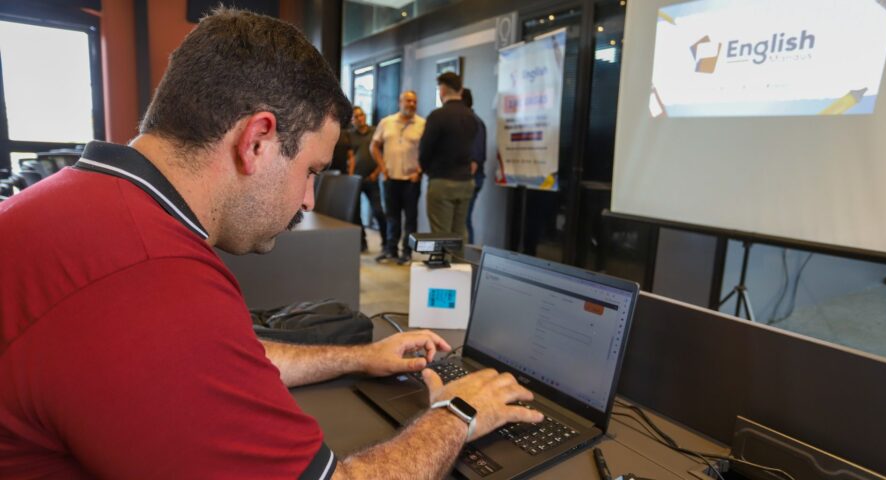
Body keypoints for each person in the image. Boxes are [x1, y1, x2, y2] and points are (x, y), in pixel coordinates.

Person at [0, 9, 541, 479]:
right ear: (257, 140)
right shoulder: (149, 277)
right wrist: (459, 412)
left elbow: (231, 356)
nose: (309, 199)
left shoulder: (85, 201)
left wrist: (361, 357)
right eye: (310, 170)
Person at [419, 72, 477, 238]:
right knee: (460, 233)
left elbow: (425, 149)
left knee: (441, 235)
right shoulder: (471, 116)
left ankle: (444, 265)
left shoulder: (437, 116)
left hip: (442, 181)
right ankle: (460, 264)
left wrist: (427, 170)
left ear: (442, 90)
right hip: (466, 181)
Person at [370, 91, 426, 265]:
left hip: (411, 180)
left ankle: (407, 252)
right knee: (392, 217)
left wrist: (420, 170)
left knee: (410, 219)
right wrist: (382, 169)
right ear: (399, 102)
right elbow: (374, 146)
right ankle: (390, 250)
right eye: (408, 100)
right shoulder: (386, 122)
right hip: (390, 178)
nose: (411, 104)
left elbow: (428, 151)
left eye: (414, 101)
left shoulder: (422, 124)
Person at [347, 106, 387, 253]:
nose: (360, 118)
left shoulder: (375, 131)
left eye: (361, 115)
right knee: (355, 215)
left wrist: (377, 172)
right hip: (356, 179)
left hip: (372, 179)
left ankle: (386, 243)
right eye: (356, 116)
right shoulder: (350, 135)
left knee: (378, 211)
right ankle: (362, 243)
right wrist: (351, 177)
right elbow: (351, 157)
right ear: (352, 120)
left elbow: (382, 154)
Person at [462, 88, 486, 244]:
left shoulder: (474, 122)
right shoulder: (470, 121)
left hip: (469, 180)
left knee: (463, 221)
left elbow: (475, 159)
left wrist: (464, 181)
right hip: (467, 179)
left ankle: (465, 260)